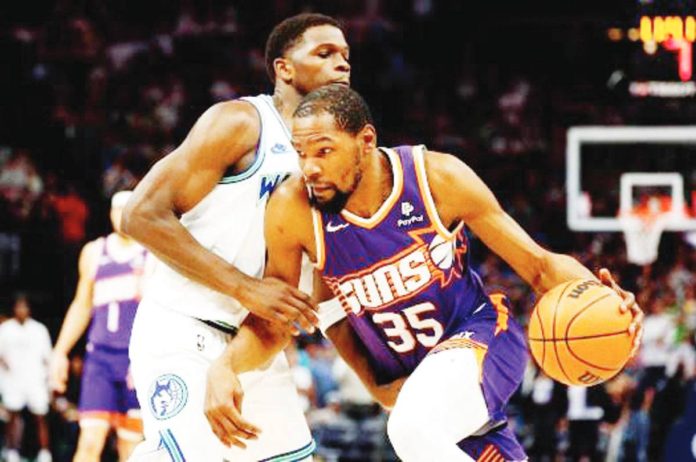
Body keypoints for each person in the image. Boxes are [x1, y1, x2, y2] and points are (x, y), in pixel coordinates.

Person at [205, 84, 644, 461]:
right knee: (419, 429)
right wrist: (226, 367)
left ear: (365, 141)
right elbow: (282, 317)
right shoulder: (293, 209)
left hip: (483, 336)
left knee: (411, 430)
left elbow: (539, 264)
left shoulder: (435, 178)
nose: (310, 166)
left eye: (324, 150)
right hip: (420, 384)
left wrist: (603, 297)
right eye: (301, 153)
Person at [121, 13, 351, 461]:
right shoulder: (242, 123)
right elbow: (140, 215)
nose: (341, 64)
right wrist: (245, 288)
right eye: (324, 53)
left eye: (345, 56)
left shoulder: (332, 161)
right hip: (182, 329)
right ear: (284, 68)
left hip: (255, 345)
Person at [49, 190, 148, 462]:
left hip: (135, 360)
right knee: (90, 442)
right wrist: (60, 351)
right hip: (100, 358)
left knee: (131, 449)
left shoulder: (153, 254)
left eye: (129, 209)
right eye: (117, 209)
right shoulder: (94, 252)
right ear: (110, 213)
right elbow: (82, 305)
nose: (122, 215)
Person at [0, 294, 53, 462]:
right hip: (13, 381)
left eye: (24, 306)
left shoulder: (39, 329)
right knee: (13, 417)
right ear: (14, 309)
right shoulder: (6, 329)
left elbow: (48, 357)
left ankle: (45, 453)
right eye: (18, 306)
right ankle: (12, 451)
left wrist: (48, 380)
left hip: (35, 380)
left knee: (40, 417)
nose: (21, 310)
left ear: (29, 309)